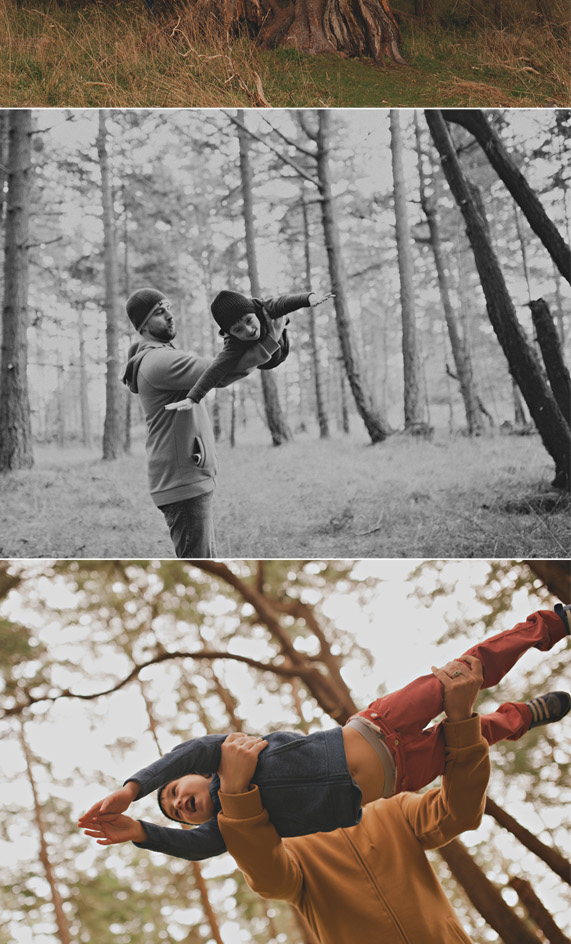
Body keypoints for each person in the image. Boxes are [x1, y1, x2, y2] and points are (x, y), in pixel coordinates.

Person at [77, 603, 570, 867]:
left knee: (463, 673)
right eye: (176, 813)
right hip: (398, 777)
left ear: (190, 777)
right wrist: (142, 831)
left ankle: (551, 623)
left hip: (376, 724)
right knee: (477, 735)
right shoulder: (235, 826)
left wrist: (133, 790)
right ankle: (524, 716)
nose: (178, 804)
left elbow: (195, 749)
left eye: (173, 793)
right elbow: (196, 847)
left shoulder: (230, 753)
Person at [122, 286, 286, 560]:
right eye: (159, 313)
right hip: (182, 480)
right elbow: (219, 373)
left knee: (202, 560)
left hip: (184, 476)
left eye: (168, 309)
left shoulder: (157, 356)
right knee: (197, 564)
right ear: (143, 325)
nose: (169, 316)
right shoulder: (160, 360)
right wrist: (272, 338)